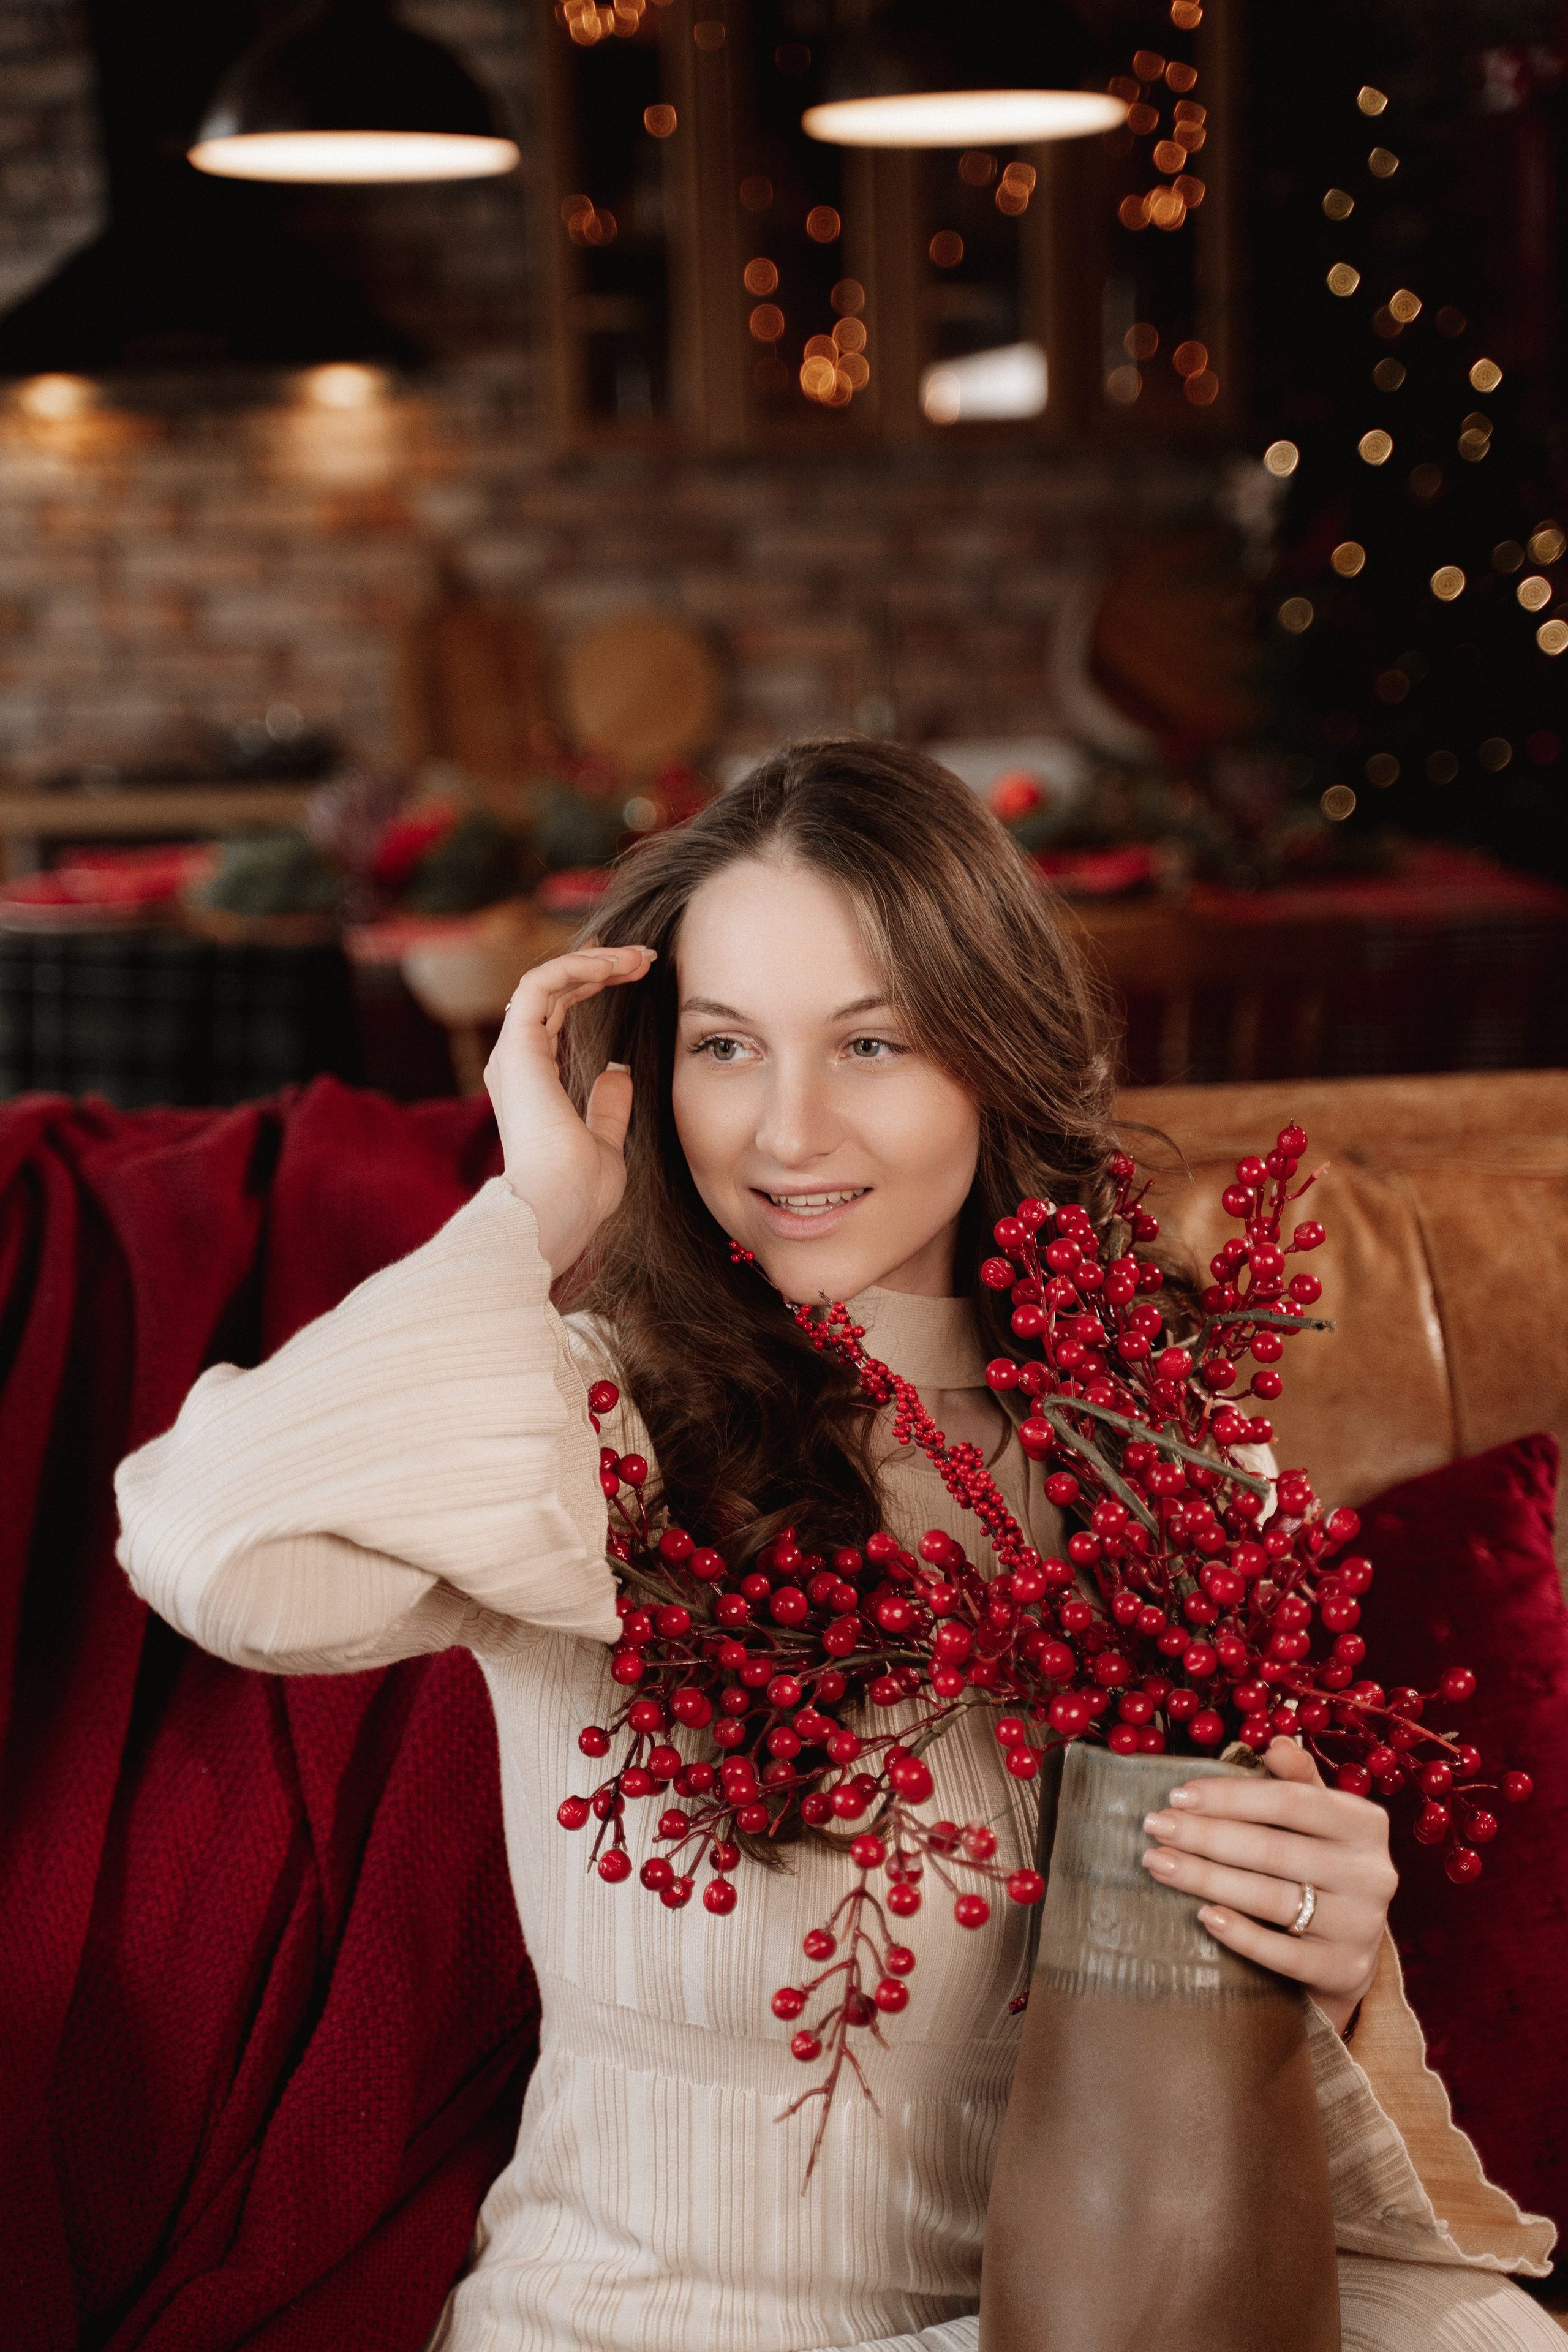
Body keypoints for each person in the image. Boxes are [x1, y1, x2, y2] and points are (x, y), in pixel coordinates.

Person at [117, 741, 1556, 2351]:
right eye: (726, 1047)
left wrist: (1329, 1953)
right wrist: (535, 1216)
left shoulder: (1161, 1447)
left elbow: (1225, 2086)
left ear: (994, 1057)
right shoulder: (601, 1419)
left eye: (871, 1042)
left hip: (1083, 2313)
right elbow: (208, 1542)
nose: (787, 1131)